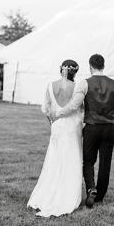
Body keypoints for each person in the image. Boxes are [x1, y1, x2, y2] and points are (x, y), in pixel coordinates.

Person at [52, 54, 114, 208]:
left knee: (88, 161)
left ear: (90, 66)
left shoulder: (84, 84)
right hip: (109, 128)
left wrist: (58, 113)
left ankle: (91, 188)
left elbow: (73, 106)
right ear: (103, 66)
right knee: (105, 162)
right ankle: (99, 196)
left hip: (92, 128)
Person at [27, 60, 83, 217]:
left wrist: (52, 122)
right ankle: (68, 194)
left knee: (54, 160)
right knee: (72, 159)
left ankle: (48, 193)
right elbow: (81, 110)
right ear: (75, 72)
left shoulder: (50, 86)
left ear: (61, 70)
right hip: (73, 128)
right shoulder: (78, 87)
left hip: (57, 126)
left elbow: (45, 108)